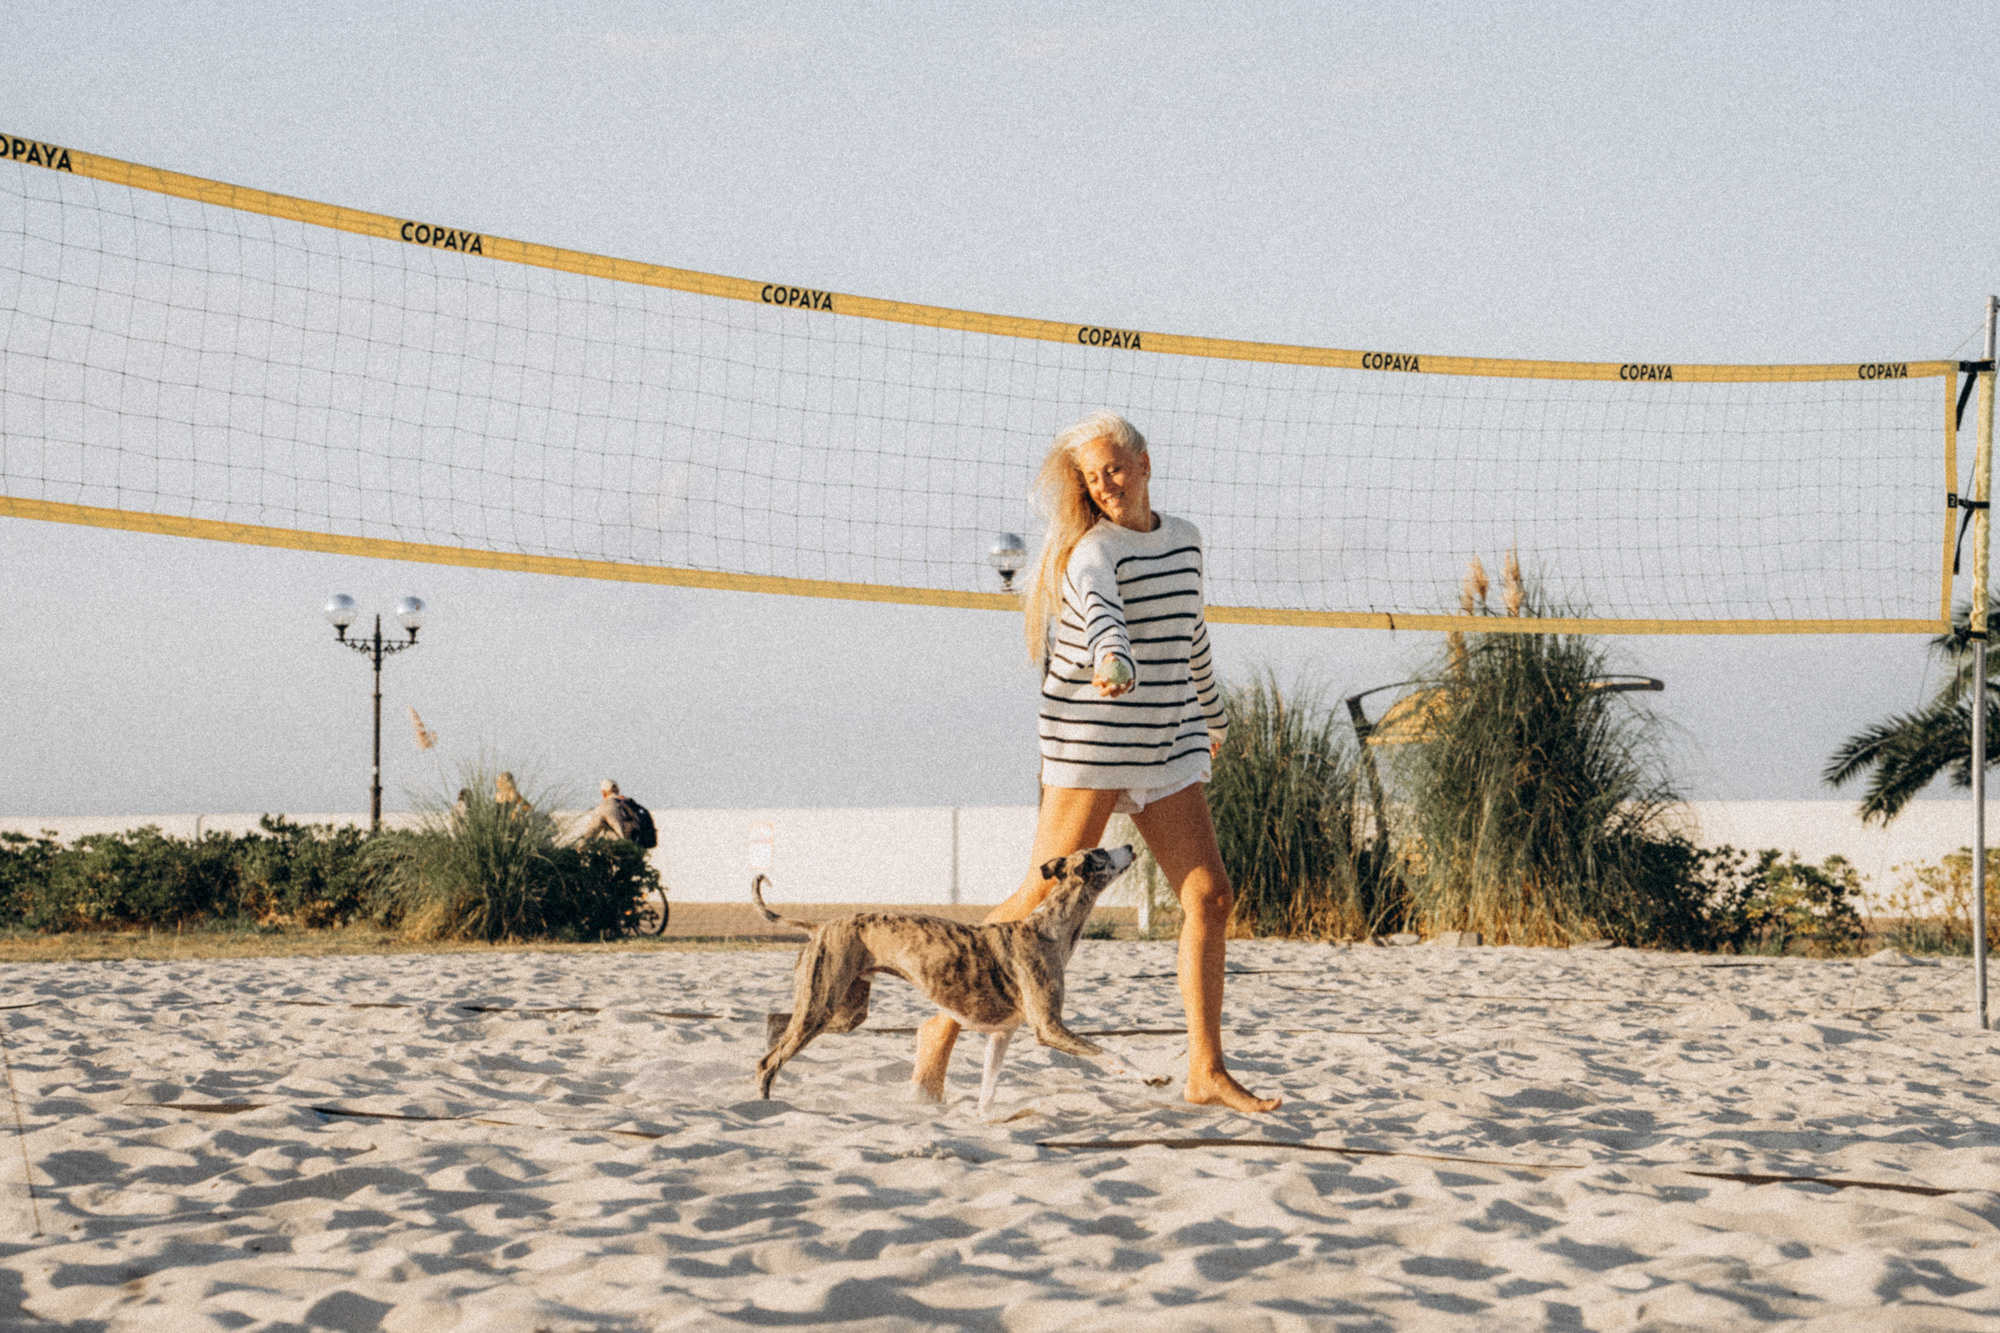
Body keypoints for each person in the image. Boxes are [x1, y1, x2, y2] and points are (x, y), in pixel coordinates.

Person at [910, 410, 1280, 1114]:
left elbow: (1192, 630)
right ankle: (942, 1022)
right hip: (1094, 741)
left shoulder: (1187, 540)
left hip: (1166, 738)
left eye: (1114, 468)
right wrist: (1112, 659)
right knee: (1033, 902)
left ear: (1145, 465)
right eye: (1091, 476)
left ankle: (1206, 1069)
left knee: (1210, 897)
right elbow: (1104, 616)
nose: (1105, 484)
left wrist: (1216, 713)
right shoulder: (1090, 554)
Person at [575, 779, 651, 844]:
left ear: (603, 793)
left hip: (617, 850)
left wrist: (579, 847)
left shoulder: (604, 806)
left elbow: (592, 831)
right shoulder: (630, 803)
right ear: (617, 790)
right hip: (636, 852)